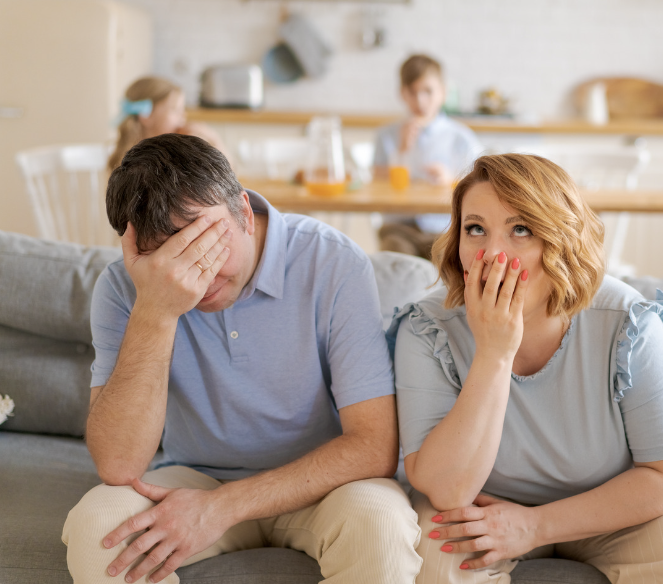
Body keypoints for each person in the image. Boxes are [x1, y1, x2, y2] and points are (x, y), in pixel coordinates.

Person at [63, 134, 421, 584]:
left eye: (205, 241)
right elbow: (118, 465)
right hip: (195, 476)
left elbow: (375, 445)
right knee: (98, 528)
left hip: (326, 484)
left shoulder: (333, 262)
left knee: (381, 527)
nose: (197, 274)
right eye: (168, 257)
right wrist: (155, 310)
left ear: (245, 214)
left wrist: (222, 507)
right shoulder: (123, 288)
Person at [389, 153, 663, 583]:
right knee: (434, 560)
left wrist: (535, 526)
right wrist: (494, 354)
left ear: (560, 239)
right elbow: (446, 490)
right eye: (475, 229)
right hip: (481, 508)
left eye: (520, 230)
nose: (492, 254)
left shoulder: (627, 321)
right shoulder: (427, 328)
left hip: (611, 506)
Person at [373, 54, 483, 260]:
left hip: (445, 229)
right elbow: (375, 183)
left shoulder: (461, 137)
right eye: (412, 92)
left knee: (449, 264)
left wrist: (451, 180)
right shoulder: (387, 135)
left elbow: (481, 187)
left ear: (443, 92)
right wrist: (401, 151)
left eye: (428, 91)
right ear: (402, 94)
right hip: (398, 227)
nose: (420, 101)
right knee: (395, 264)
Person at [108, 77, 230, 172]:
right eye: (175, 110)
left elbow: (227, 177)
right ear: (146, 115)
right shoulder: (137, 166)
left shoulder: (176, 152)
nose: (183, 116)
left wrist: (213, 139)